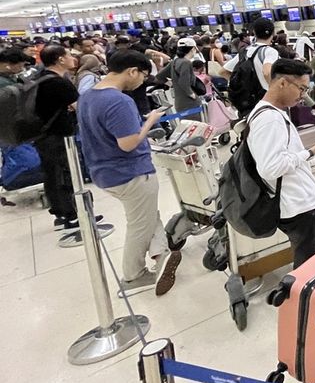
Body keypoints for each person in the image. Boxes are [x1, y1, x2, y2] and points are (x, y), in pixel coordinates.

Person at [77, 49, 181, 295]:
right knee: (139, 225)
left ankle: (161, 254)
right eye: (143, 76)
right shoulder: (118, 100)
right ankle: (133, 275)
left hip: (104, 171)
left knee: (147, 215)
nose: (143, 81)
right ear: (131, 71)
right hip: (130, 172)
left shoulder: (88, 96)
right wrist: (149, 122)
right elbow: (128, 143)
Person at [246, 58, 315, 267]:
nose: (303, 96)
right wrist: (311, 151)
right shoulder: (269, 119)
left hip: (301, 203)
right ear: (282, 83)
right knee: (308, 268)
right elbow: (270, 168)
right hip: (299, 207)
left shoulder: (270, 113)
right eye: (301, 89)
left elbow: (286, 156)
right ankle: (302, 298)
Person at [34, 45, 81, 229]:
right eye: (69, 55)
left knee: (52, 174)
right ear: (60, 59)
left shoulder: (40, 78)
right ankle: (73, 214)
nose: (73, 58)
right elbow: (80, 108)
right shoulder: (59, 83)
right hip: (59, 135)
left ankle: (61, 214)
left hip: (42, 135)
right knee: (65, 173)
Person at [222, 18, 280, 107]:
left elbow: (223, 71)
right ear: (273, 33)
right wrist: (276, 91)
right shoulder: (270, 51)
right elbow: (267, 72)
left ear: (254, 33)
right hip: (266, 100)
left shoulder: (246, 51)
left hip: (248, 101)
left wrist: (242, 85)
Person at [160, 38, 203, 115]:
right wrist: (192, 95)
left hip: (179, 102)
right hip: (190, 102)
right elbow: (184, 82)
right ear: (193, 48)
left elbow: (160, 76)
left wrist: (172, 84)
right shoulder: (186, 63)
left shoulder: (174, 61)